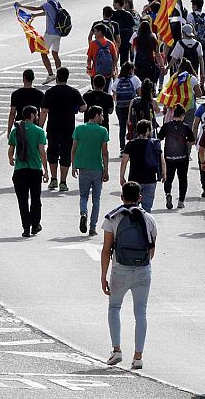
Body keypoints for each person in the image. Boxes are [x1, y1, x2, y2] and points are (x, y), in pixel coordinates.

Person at [100, 181, 157, 370]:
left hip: (120, 269)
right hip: (143, 270)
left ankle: (116, 350)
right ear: (140, 198)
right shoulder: (148, 219)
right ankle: (138, 356)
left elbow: (106, 249)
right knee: (140, 312)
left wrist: (103, 275)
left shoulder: (112, 218)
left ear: (121, 197)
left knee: (114, 307)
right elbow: (152, 250)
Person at [40, 67, 87, 191]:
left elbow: (44, 110)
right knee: (66, 153)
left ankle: (53, 179)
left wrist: (39, 126)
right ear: (67, 77)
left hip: (53, 127)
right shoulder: (73, 92)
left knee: (52, 151)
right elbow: (84, 107)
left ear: (57, 77)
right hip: (68, 127)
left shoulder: (50, 92)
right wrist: (74, 108)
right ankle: (63, 182)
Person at [8, 106, 49, 237]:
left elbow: (11, 150)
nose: (37, 117)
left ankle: (26, 227)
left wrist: (11, 159)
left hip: (20, 170)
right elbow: (42, 152)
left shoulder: (16, 130)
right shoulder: (39, 131)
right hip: (35, 170)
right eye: (36, 114)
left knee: (22, 200)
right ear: (32, 115)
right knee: (36, 199)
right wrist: (46, 170)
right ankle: (35, 225)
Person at [72, 106, 110, 236]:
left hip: (83, 168)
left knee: (83, 196)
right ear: (97, 115)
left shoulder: (79, 129)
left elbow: (74, 149)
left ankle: (83, 212)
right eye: (102, 115)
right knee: (96, 199)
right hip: (97, 168)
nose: (103, 117)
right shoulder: (103, 131)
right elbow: (104, 153)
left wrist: (73, 165)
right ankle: (92, 227)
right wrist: (106, 170)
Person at [15, 0, 63, 84]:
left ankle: (51, 75)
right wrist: (36, 16)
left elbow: (36, 8)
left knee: (43, 53)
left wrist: (21, 6)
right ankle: (60, 77)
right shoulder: (56, 3)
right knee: (55, 54)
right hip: (58, 32)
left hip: (50, 33)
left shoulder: (47, 4)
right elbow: (47, 13)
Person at [120, 120, 165, 213]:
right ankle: (145, 226)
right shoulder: (155, 144)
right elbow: (162, 161)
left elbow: (124, 161)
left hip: (134, 180)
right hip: (150, 179)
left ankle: (134, 226)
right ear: (148, 130)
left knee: (132, 208)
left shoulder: (131, 144)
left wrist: (122, 177)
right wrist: (164, 173)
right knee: (147, 209)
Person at [157, 104, 195, 210]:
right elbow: (192, 141)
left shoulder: (167, 126)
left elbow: (158, 138)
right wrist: (186, 141)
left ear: (173, 114)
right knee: (182, 179)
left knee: (168, 177)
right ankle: (181, 201)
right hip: (182, 157)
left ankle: (168, 193)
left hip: (169, 156)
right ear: (183, 115)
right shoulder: (186, 127)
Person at [113, 62, 141, 152]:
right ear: (131, 70)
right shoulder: (135, 79)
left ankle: (122, 148)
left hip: (120, 107)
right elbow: (140, 94)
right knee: (133, 126)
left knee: (122, 126)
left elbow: (114, 95)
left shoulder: (118, 79)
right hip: (131, 106)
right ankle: (133, 145)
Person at [87, 24, 119, 91]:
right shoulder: (110, 43)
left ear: (100, 32)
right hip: (107, 73)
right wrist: (113, 69)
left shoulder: (93, 44)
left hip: (95, 73)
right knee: (106, 91)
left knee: (95, 92)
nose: (94, 34)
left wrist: (89, 69)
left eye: (95, 31)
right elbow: (115, 58)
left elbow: (89, 58)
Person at [131, 20, 162, 88]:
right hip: (149, 62)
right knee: (149, 80)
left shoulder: (136, 39)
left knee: (139, 80)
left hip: (138, 62)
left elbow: (132, 50)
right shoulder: (153, 39)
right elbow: (157, 53)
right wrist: (161, 65)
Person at [189, 0, 205, 79]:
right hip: (203, 44)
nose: (192, 7)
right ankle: (202, 82)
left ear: (195, 6)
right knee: (202, 64)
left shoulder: (190, 16)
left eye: (193, 5)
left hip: (192, 45)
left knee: (193, 65)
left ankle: (194, 81)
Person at [112, 0, 136, 64]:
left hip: (116, 41)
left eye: (114, 3)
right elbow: (132, 26)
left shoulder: (113, 15)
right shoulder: (128, 14)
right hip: (125, 41)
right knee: (124, 60)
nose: (113, 5)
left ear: (117, 4)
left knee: (113, 59)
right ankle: (124, 73)